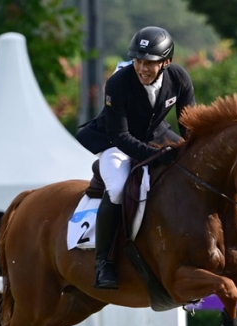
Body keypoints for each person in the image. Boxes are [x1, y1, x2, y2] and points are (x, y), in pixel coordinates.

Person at [76, 26, 196, 290]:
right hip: (114, 142)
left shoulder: (179, 78)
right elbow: (120, 136)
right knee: (118, 188)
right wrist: (155, 155)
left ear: (166, 62)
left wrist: (192, 152)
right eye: (138, 61)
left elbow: (189, 126)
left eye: (150, 63)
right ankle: (104, 263)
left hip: (156, 135)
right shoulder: (118, 84)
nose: (142, 68)